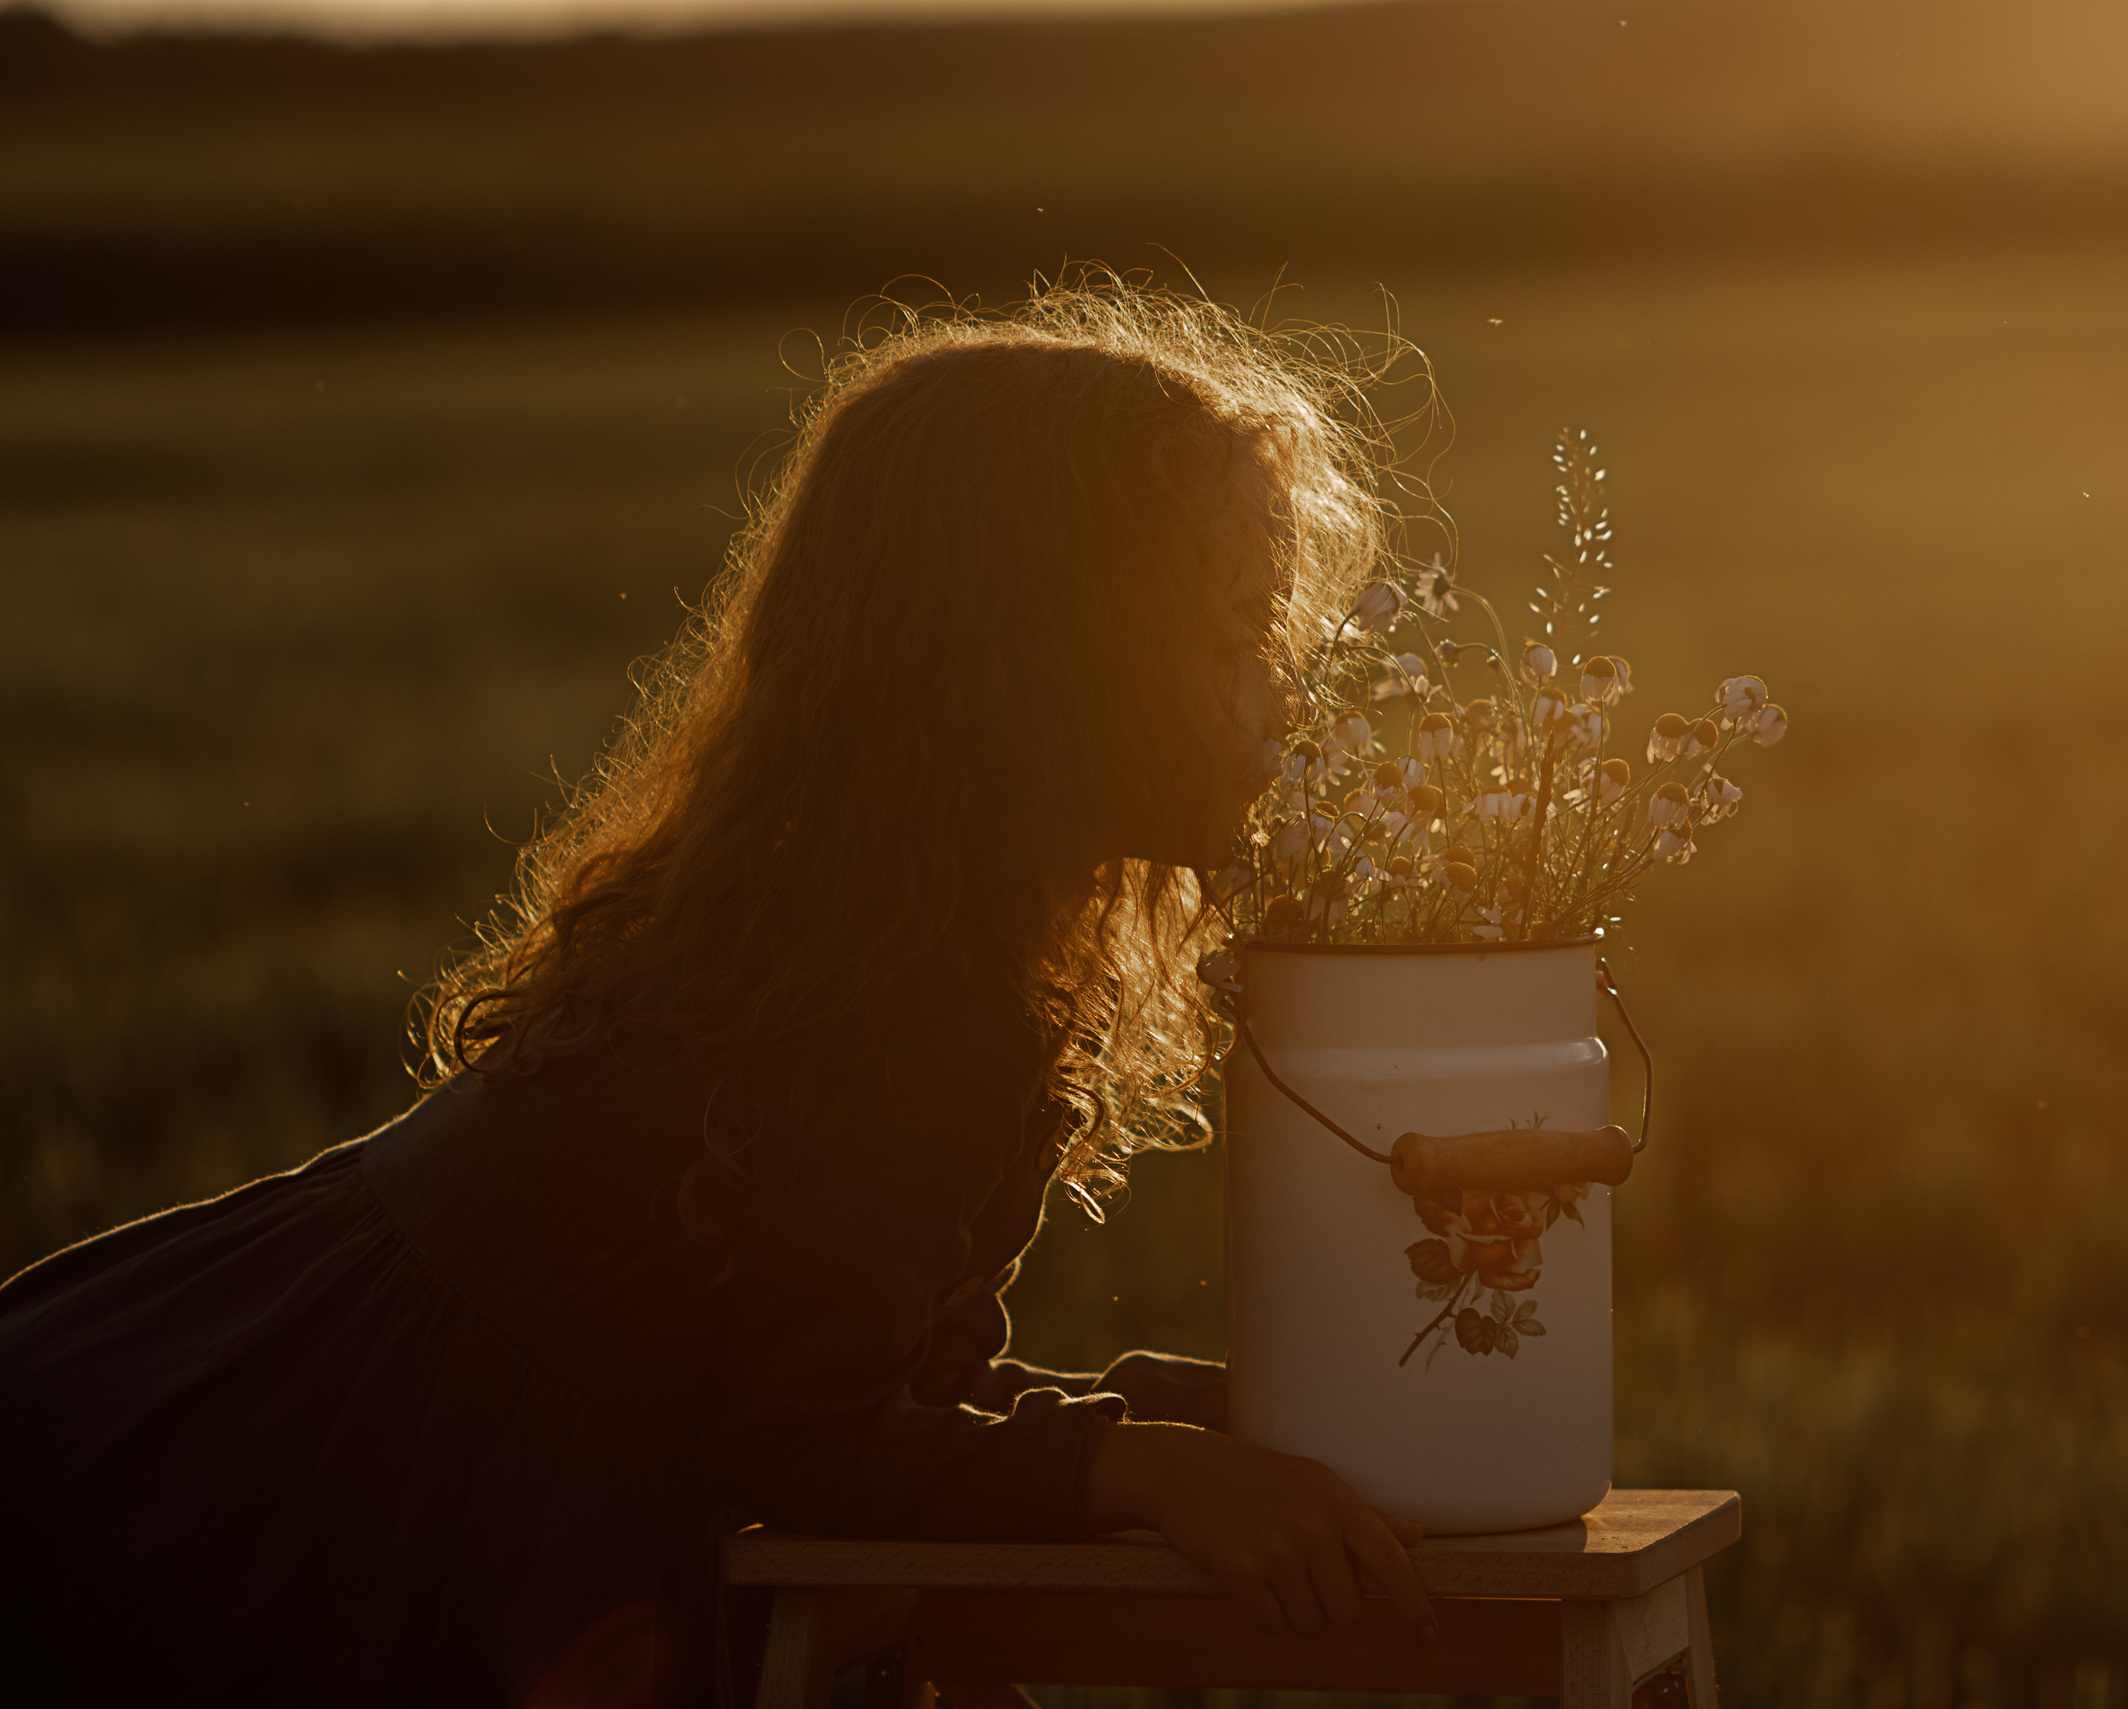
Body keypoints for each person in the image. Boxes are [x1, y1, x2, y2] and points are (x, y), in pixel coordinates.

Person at [0, 279, 1437, 1705]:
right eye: (1231, 638)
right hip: (288, 1496)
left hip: (243, 1406)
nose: (1282, 699)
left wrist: (1152, 1419)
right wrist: (1147, 1461)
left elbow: (861, 1370)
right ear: (1053, 668)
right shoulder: (914, 1005)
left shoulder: (852, 930)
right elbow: (813, 1434)